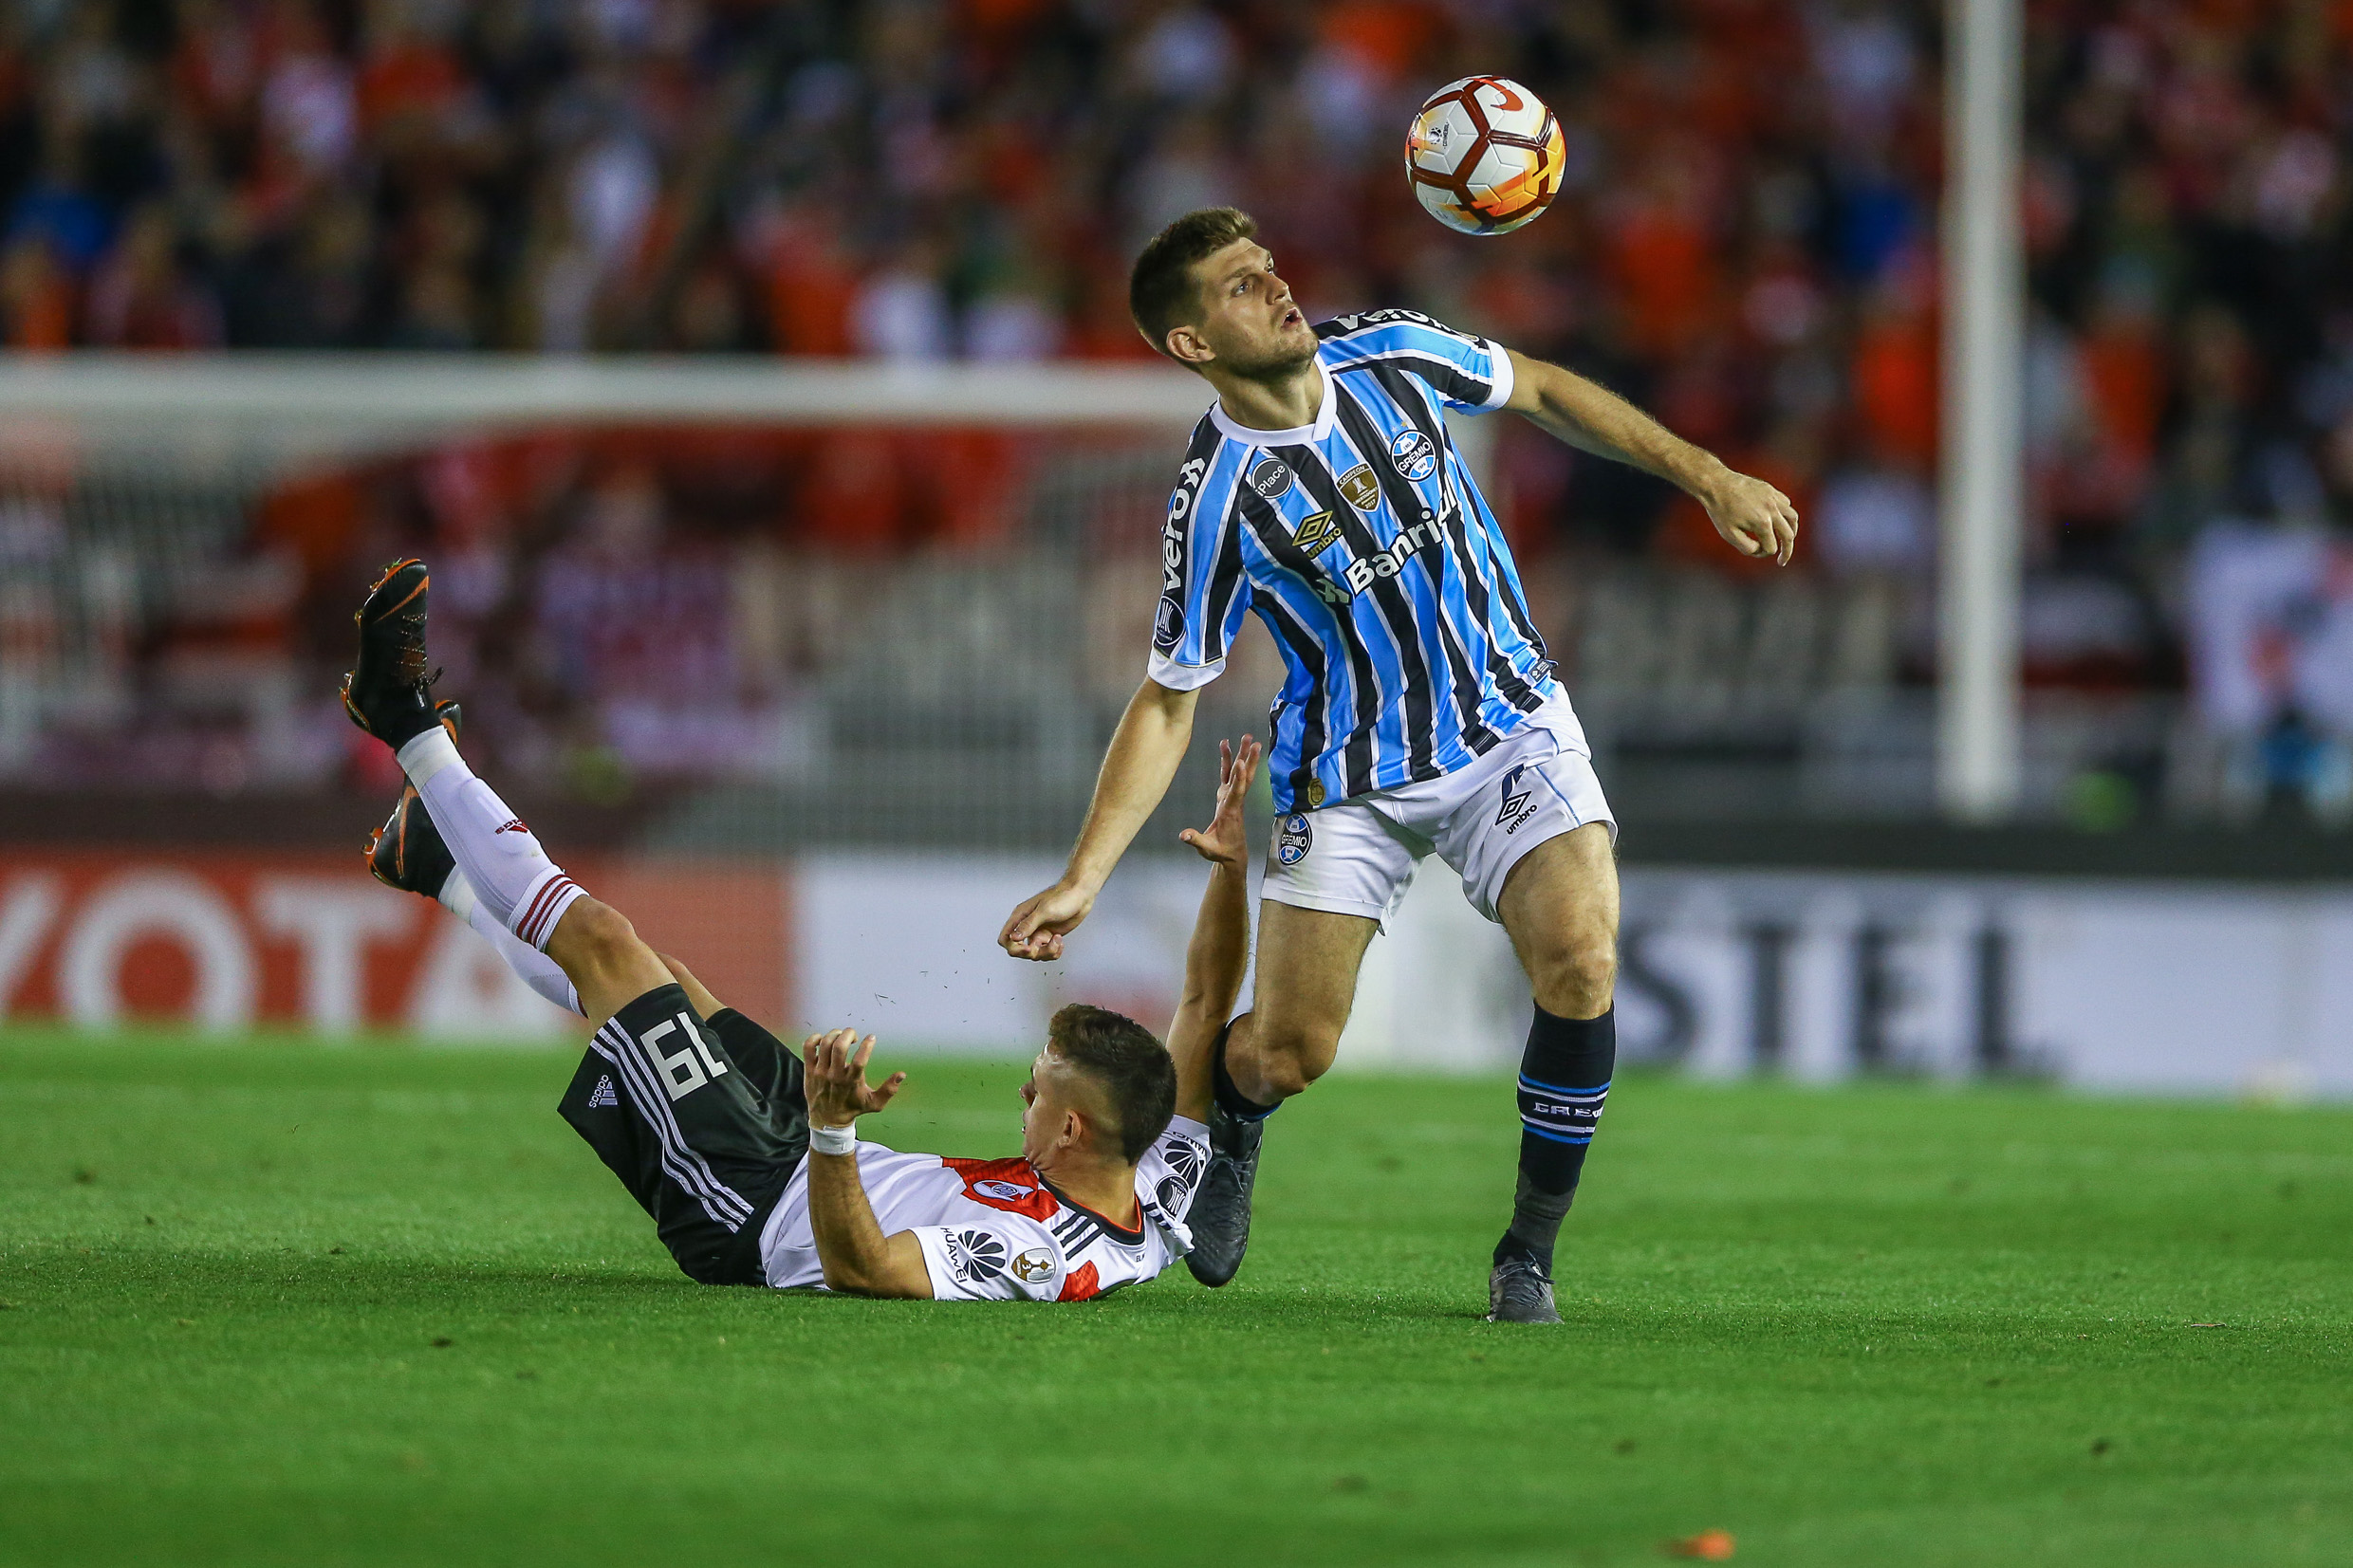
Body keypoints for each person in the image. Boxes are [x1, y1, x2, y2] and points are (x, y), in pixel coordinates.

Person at [996, 207, 1801, 1323]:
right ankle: (1234, 1129)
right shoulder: (1214, 499)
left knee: (1577, 959)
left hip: (1508, 720)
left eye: (1267, 267)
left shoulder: (1386, 351)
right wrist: (1083, 874)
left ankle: (1525, 1252)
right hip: (1347, 773)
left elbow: (1542, 389)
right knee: (1285, 1053)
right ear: (1192, 345)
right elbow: (1168, 697)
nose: (1275, 288)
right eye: (1239, 286)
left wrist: (1706, 473)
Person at [345, 558, 1265, 1301]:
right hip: (808, 1146)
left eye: (1032, 1092)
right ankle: (434, 865)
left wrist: (830, 1130)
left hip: (757, 1205)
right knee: (655, 977)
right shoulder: (1158, 1185)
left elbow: (862, 1270)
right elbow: (1201, 1001)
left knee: (607, 948)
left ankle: (408, 726)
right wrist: (1228, 869)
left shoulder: (1035, 1256)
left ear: (1070, 1130)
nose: (1017, 1095)